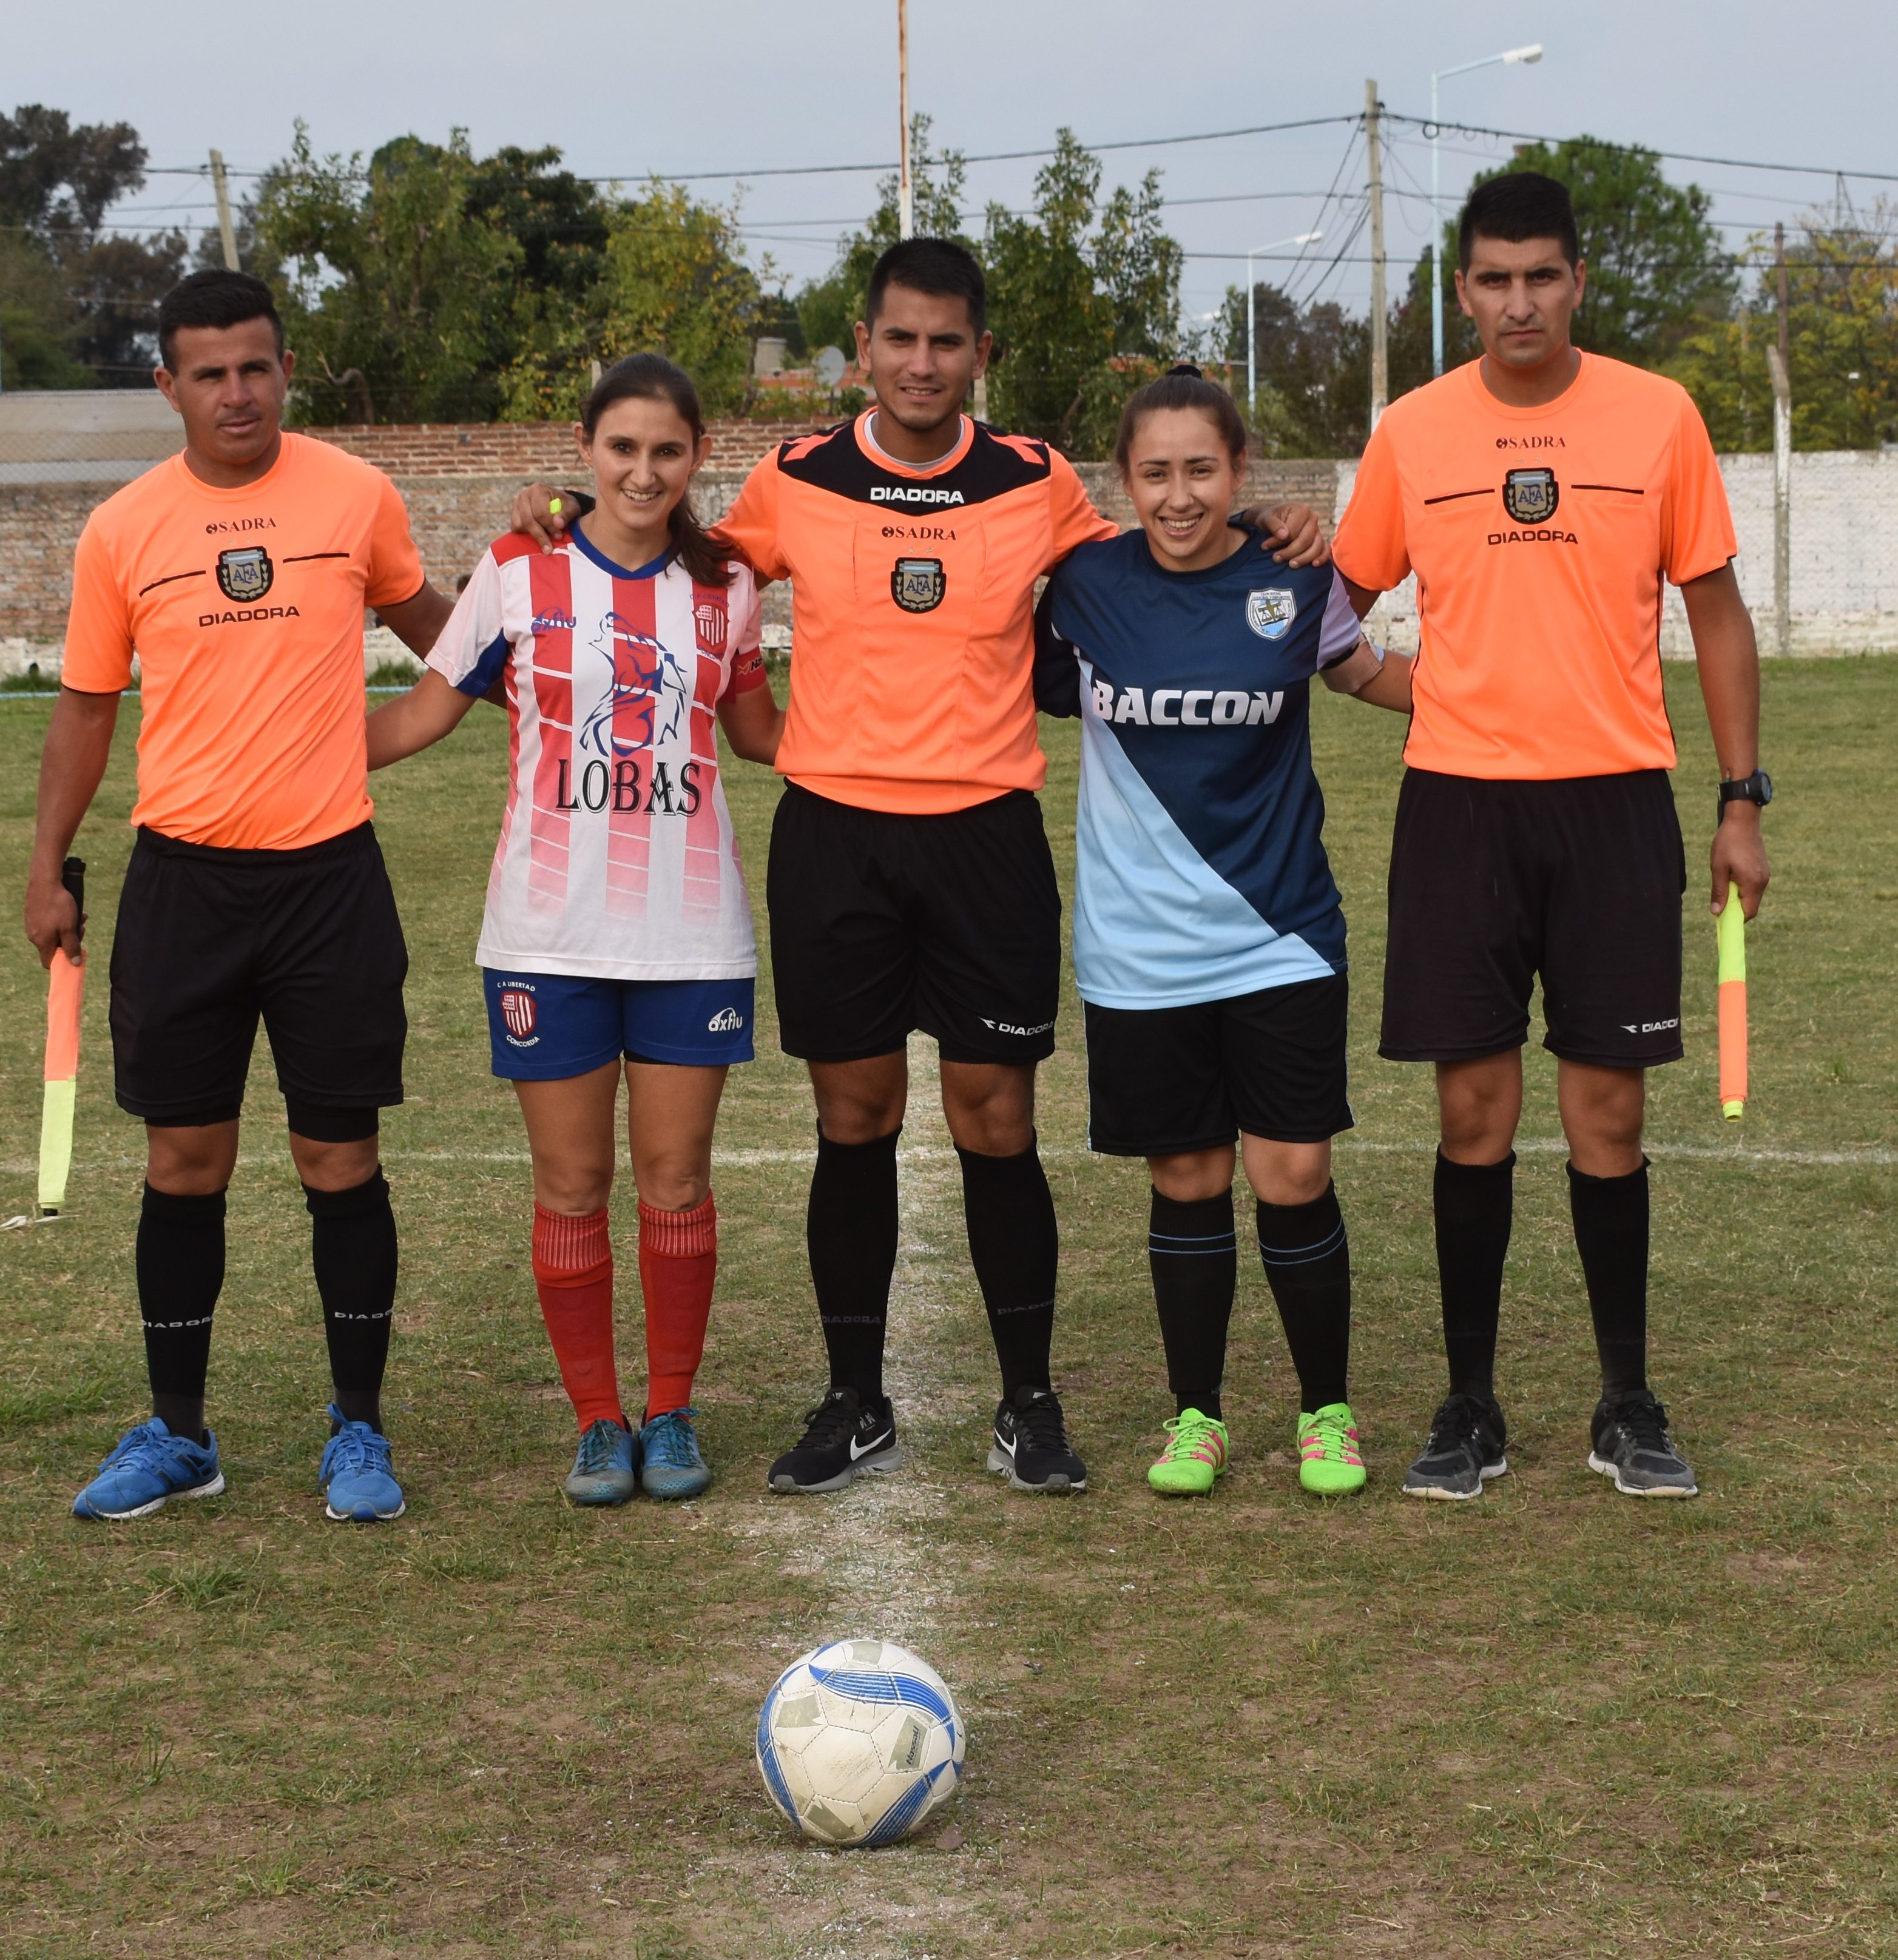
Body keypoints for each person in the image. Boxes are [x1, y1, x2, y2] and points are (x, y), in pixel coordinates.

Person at [513, 238, 1328, 1497]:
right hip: (835, 839)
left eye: (947, 342)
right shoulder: (795, 476)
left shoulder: (1035, 481)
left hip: (983, 840)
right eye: (899, 339)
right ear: (863, 346)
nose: (921, 363)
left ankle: (1028, 1401)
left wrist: (1272, 526)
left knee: (993, 1117)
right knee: (855, 1116)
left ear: (979, 354)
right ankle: (852, 1398)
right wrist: (564, 519)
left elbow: (1158, 545)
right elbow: (687, 557)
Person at [1327, 172, 1773, 1503]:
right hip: (1459, 806)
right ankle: (1467, 1406)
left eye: (1540, 276)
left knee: (1607, 1115)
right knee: (1470, 1111)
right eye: (1491, 279)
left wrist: (1741, 798)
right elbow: (1333, 612)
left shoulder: (1657, 418)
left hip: (1613, 804)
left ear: (1576, 282)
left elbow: (1717, 613)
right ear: (1459, 292)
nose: (1516, 301)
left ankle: (1624, 1401)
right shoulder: (1410, 433)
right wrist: (1404, 689)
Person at [29, 269, 452, 1524]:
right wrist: (46, 863)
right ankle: (177, 1432)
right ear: (167, 386)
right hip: (183, 888)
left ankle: (359, 1432)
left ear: (286, 371)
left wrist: (359, 742)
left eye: (255, 367)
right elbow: (85, 707)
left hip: (329, 882)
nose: (235, 392)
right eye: (207, 373)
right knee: (183, 1158)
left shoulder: (354, 497)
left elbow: (453, 645)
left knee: (339, 1156)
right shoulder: (122, 530)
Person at [368, 355, 782, 1506]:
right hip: (546, 934)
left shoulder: (731, 586)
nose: (643, 472)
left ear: (699, 458)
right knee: (570, 1183)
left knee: (676, 1179)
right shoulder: (516, 568)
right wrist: (288, 754)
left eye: (667, 451)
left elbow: (759, 735)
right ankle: (599, 1423)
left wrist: (905, 756)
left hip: (690, 932)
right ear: (586, 451)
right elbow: (423, 713)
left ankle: (672, 1411)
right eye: (622, 449)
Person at [1035, 368, 1412, 1498]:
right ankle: (1196, 1415)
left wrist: (1507, 691)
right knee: (1188, 1178)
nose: (1180, 494)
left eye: (1203, 469)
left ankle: (1326, 1414)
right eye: (1156, 472)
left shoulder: (1296, 577)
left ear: (1241, 472)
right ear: (1123, 481)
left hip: (1282, 933)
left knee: (1293, 1174)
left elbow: (1367, 674)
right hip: (1139, 947)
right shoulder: (1084, 585)